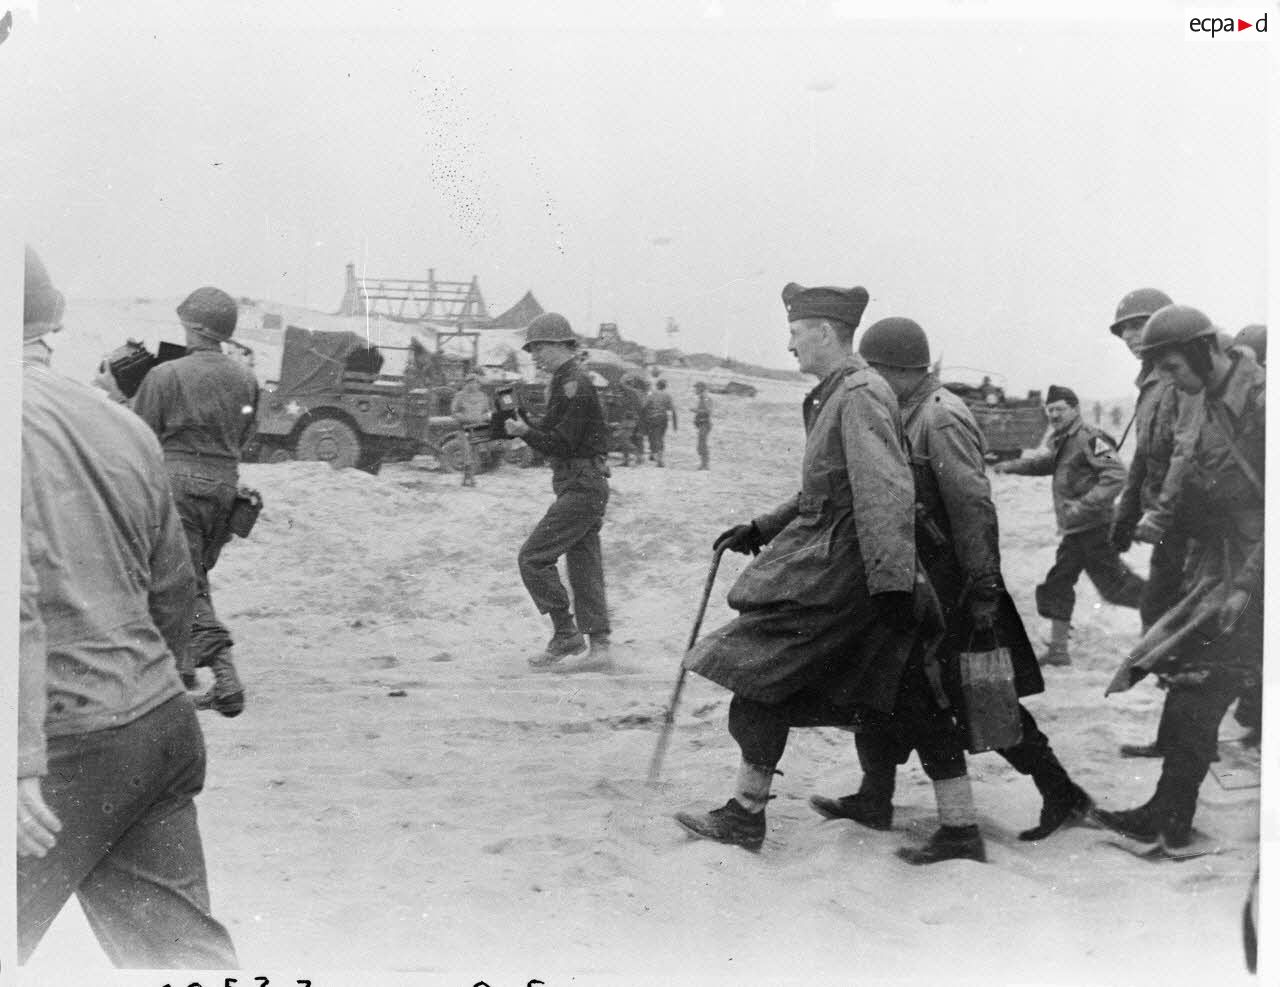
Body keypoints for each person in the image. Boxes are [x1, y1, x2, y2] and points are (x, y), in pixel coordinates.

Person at [674, 283, 987, 864]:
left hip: (841, 574)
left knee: (758, 675)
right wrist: (764, 527)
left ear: (824, 332)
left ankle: (745, 815)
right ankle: (961, 826)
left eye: (796, 332)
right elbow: (828, 485)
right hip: (840, 565)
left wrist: (892, 583)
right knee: (910, 696)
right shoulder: (842, 393)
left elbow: (884, 490)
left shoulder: (860, 394)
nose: (790, 344)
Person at [19, 246, 238, 968]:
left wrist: (20, 761)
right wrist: (172, 669)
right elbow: (174, 582)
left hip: (59, 746)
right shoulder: (121, 423)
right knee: (183, 958)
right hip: (154, 723)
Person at [825, 317, 1092, 844]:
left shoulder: (940, 417)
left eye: (874, 371)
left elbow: (973, 508)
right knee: (890, 684)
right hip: (914, 578)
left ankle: (1061, 792)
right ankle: (873, 794)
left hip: (952, 585)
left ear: (897, 370)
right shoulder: (902, 412)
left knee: (977, 695)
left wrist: (983, 588)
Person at [1094, 305, 1264, 851]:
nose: (1169, 381)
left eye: (1172, 367)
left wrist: (1244, 585)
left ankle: (1171, 814)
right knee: (1197, 682)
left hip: (1257, 568)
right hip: (1228, 561)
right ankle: (1169, 814)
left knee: (1207, 682)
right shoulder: (1206, 401)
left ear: (1204, 350)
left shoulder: (1262, 401)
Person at [132, 286, 260, 716]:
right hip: (225, 486)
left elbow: (139, 437)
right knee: (192, 574)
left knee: (184, 583)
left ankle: (225, 680)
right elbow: (246, 438)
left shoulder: (165, 376)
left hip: (177, 485)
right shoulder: (246, 378)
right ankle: (182, 671)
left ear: (195, 327)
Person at [1105, 289, 1199, 757]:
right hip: (1169, 525)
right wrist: (1126, 514)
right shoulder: (1149, 384)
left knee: (1182, 625)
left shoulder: (1183, 380)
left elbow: (1186, 452)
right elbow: (1143, 455)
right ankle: (1178, 736)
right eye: (1123, 330)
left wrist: (1158, 515)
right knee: (1160, 618)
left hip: (1193, 524)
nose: (1129, 337)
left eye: (1137, 326)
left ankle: (1187, 738)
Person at [994, 384, 1145, 665]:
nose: (1053, 415)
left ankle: (1170, 614)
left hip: (1094, 529)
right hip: (1076, 530)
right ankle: (1058, 651)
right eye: (1050, 410)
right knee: (1059, 583)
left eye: (1059, 409)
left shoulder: (1090, 438)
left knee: (1116, 588)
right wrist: (1011, 465)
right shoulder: (1063, 441)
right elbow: (1045, 464)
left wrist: (1083, 505)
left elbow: (1116, 474)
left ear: (1075, 409)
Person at [504, 312, 613, 667]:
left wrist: (525, 433)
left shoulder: (573, 384)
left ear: (560, 345)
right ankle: (599, 649)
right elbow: (550, 431)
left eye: (539, 348)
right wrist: (521, 424)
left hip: (581, 484)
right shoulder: (566, 381)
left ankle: (566, 634)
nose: (535, 356)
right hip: (582, 483)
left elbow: (562, 442)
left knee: (533, 557)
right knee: (584, 567)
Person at [450, 372, 492, 486]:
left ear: (478, 384)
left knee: (475, 455)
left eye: (475, 382)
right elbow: (454, 412)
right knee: (466, 454)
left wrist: (484, 417)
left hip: (478, 428)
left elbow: (487, 411)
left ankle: (469, 479)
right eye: (470, 382)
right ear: (466, 384)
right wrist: (466, 418)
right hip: (464, 428)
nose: (473, 385)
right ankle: (469, 478)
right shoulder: (460, 395)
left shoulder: (483, 396)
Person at [640, 377, 677, 467]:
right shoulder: (668, 396)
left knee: (652, 437)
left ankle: (656, 457)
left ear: (657, 385)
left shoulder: (651, 394)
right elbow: (672, 409)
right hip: (663, 419)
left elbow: (644, 406)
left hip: (652, 419)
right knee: (660, 438)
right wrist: (675, 424)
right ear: (665, 386)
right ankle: (658, 457)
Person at [692, 381, 713, 470]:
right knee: (701, 444)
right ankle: (703, 464)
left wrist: (696, 411)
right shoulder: (701, 398)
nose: (695, 390)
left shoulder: (706, 398)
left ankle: (705, 464)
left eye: (696, 388)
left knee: (702, 445)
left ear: (701, 389)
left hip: (705, 424)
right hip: (701, 424)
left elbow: (708, 411)